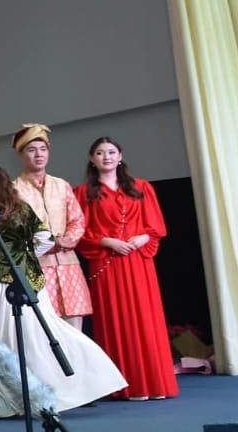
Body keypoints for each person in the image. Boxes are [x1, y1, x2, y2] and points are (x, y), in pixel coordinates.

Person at [0, 162, 128, 416]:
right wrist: (27, 255)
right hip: (32, 282)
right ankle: (78, 378)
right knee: (40, 336)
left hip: (0, 285)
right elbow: (45, 238)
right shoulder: (21, 208)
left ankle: (3, 398)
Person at [75, 138, 179, 400]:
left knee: (146, 319)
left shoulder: (141, 187)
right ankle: (125, 386)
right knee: (114, 320)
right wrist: (106, 241)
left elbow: (156, 226)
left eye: (112, 152)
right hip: (107, 263)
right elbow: (79, 231)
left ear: (120, 156)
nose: (107, 157)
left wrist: (144, 237)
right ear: (92, 159)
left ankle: (154, 383)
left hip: (138, 262)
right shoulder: (84, 192)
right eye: (100, 153)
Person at [12, 123, 92, 331]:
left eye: (43, 149)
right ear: (21, 154)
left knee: (74, 328)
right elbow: (15, 231)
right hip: (36, 267)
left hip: (68, 265)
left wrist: (67, 240)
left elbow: (77, 220)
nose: (39, 154)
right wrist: (47, 243)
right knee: (42, 327)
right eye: (31, 150)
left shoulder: (61, 185)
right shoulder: (14, 190)